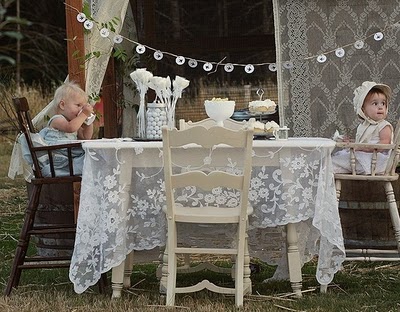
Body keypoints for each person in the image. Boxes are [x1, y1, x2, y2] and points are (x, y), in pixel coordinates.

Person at [332, 81, 393, 174]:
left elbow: (384, 145)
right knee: (334, 161)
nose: (380, 107)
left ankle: (331, 169)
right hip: (364, 158)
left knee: (335, 162)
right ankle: (330, 173)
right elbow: (362, 142)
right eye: (375, 104)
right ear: (363, 110)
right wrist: (351, 143)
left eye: (383, 103)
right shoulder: (364, 126)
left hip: (376, 161)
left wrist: (361, 147)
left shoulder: (384, 126)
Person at [35, 81, 94, 176]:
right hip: (57, 160)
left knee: (91, 155)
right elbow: (70, 128)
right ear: (62, 105)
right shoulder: (57, 119)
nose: (81, 110)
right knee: (88, 157)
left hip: (67, 157)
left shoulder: (72, 122)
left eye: (83, 107)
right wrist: (83, 114)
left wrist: (88, 121)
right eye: (78, 105)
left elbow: (85, 137)